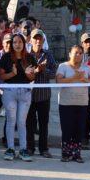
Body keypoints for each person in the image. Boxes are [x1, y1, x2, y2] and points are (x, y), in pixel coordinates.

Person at [0, 33, 37, 161]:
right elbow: (2, 77)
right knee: (11, 120)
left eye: (20, 42)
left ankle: (23, 149)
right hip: (9, 91)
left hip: (25, 92)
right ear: (11, 44)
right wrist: (12, 73)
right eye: (15, 42)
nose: (17, 44)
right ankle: (10, 149)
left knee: (21, 122)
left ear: (24, 43)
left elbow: (32, 77)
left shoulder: (30, 57)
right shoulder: (6, 57)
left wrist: (28, 74)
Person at [56, 45, 90, 163]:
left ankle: (77, 153)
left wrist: (85, 80)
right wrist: (74, 77)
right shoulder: (63, 66)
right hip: (66, 103)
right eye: (76, 52)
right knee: (67, 128)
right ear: (69, 53)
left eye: (80, 53)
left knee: (79, 129)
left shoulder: (87, 68)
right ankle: (65, 153)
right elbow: (59, 81)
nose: (78, 55)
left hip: (82, 103)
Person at [26, 29, 57, 158]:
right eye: (35, 38)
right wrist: (38, 70)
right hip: (29, 95)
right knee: (30, 123)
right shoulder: (26, 55)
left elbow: (54, 73)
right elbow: (25, 74)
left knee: (44, 124)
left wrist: (43, 71)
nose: (38, 41)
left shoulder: (48, 55)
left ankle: (44, 148)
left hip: (44, 95)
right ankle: (29, 148)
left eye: (40, 39)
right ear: (31, 40)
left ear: (43, 40)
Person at [80, 32, 90, 145]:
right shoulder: (80, 55)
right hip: (85, 89)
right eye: (86, 42)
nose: (88, 44)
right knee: (85, 113)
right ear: (82, 43)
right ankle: (85, 135)